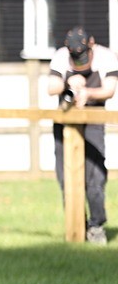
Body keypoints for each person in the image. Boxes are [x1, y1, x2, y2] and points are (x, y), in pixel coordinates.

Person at [47, 27, 117, 245]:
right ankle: (76, 225)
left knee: (94, 175)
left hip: (94, 119)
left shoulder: (106, 58)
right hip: (66, 122)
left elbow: (110, 89)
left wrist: (88, 93)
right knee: (65, 176)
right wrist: (69, 83)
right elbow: (51, 87)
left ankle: (96, 225)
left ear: (92, 44)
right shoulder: (61, 57)